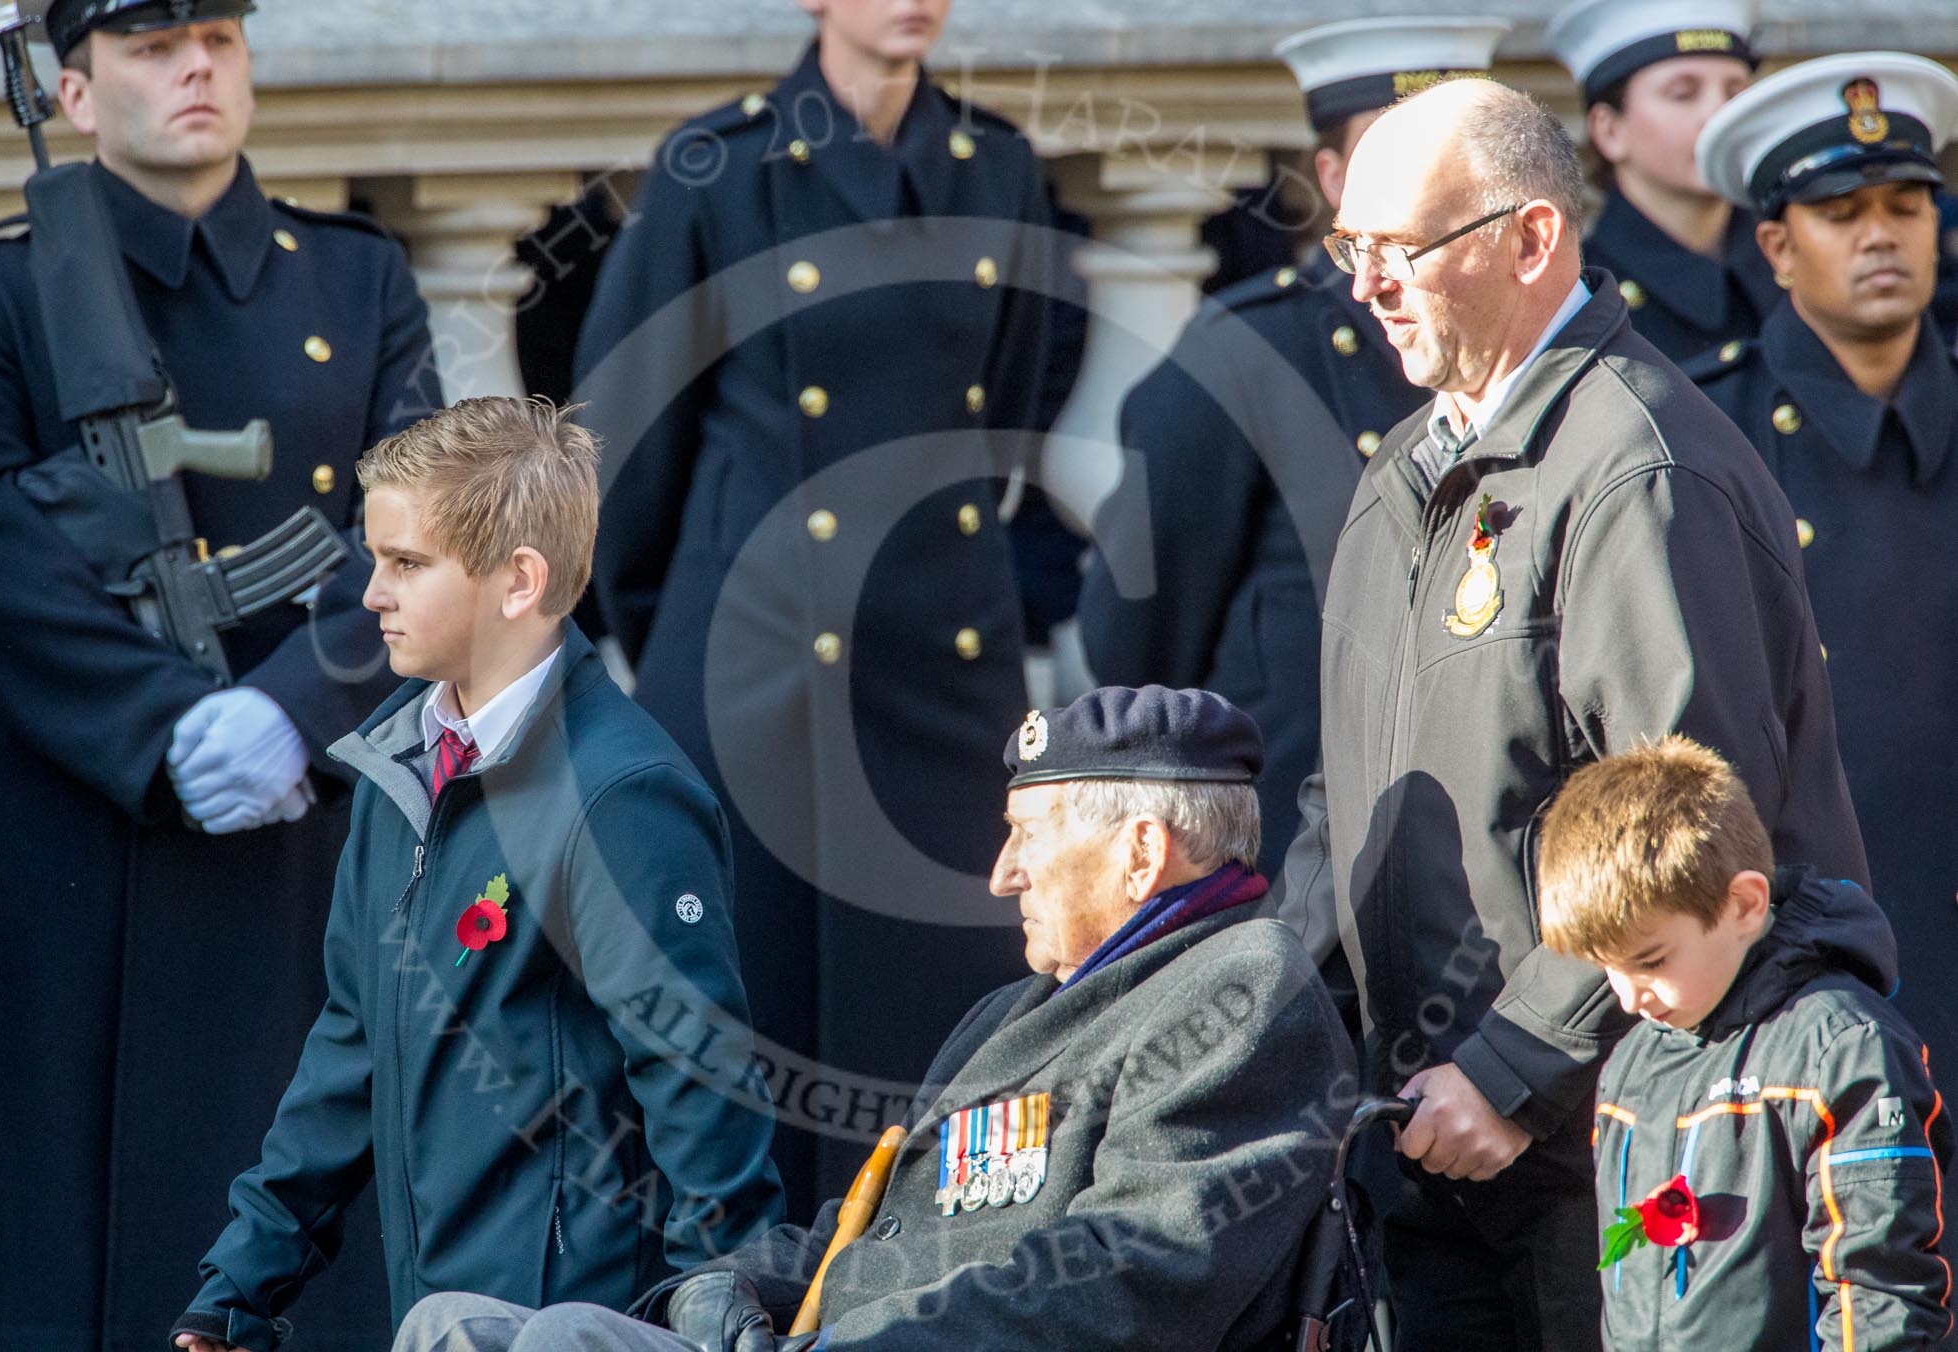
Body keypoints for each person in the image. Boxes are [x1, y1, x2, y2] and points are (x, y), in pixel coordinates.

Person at [1285, 76, 1870, 1348]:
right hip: (1430, 1143)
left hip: (1607, 1147)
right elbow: (1351, 798)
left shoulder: (1637, 466)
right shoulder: (1401, 472)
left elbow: (1690, 821)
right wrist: (1269, 1020)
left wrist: (1510, 1068)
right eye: (1352, 249)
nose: (1366, 286)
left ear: (1531, 238)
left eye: (1402, 252)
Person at [0, 3, 440, 1349]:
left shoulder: (356, 282)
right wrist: (164, 727)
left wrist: (294, 709)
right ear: (78, 94)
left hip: (306, 833)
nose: (199, 67)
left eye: (219, 36)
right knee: (60, 1259)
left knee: (307, 1231)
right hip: (81, 837)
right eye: (155, 48)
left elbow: (426, 526)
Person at [390, 684, 1358, 1352]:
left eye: (1026, 834)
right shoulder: (1010, 1010)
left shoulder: (1242, 980)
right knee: (450, 1327)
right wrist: (731, 1280)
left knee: (562, 1340)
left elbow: (1137, 1276)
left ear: (1141, 852)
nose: (1001, 872)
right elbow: (883, 1219)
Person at [170, 398, 787, 1352]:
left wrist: (716, 1316)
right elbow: (348, 1055)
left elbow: (702, 1093)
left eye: (406, 564)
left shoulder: (623, 795)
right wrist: (235, 1291)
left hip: (571, 1327)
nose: (372, 594)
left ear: (518, 582)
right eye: (374, 561)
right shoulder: (394, 769)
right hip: (434, 1317)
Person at [571, 0, 1053, 1206]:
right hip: (756, 673)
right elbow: (623, 450)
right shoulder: (716, 169)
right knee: (748, 1034)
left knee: (947, 1025)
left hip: (942, 671)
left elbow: (1017, 400)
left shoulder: (997, 166)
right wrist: (691, 634)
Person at [1078, 18, 1505, 873]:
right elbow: (1143, 626)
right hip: (1300, 847)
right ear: (1334, 178)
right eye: (1396, 151)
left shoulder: (1527, 338)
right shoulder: (1250, 349)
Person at [1689, 51, 1958, 1322]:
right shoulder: (1705, 440)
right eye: (1843, 215)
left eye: (1905, 205)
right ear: (1777, 247)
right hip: (1817, 979)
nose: (1882, 236)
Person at [1538, 736, 1951, 1350]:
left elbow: (1883, 1292)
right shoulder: (1631, 1064)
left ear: (1745, 905)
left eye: (1650, 960)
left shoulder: (1844, 1049)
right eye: (1607, 969)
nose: (1629, 998)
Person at [1545, 0, 1774, 364]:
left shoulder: (1796, 268)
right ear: (1609, 130)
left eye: (1735, 92)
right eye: (1683, 93)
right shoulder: (1575, 296)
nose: (1718, 115)